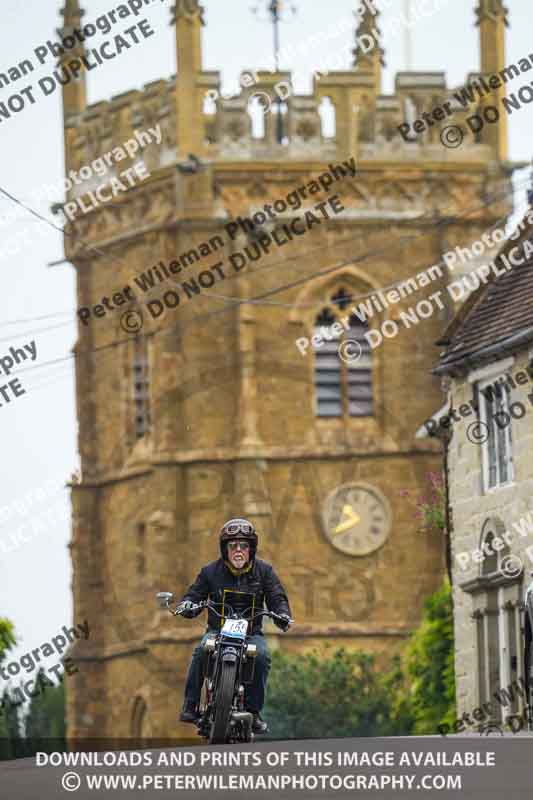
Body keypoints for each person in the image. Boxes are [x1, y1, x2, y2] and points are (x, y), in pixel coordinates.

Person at [177, 518, 292, 734]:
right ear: (225, 549)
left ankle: (254, 711)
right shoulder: (210, 572)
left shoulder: (264, 572)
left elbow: (277, 597)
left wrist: (283, 614)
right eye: (233, 546)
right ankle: (190, 705)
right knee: (202, 650)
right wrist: (187, 605)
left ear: (251, 549)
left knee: (262, 656)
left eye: (243, 546)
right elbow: (194, 594)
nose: (238, 550)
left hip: (251, 634)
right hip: (217, 632)